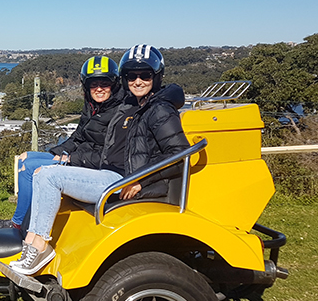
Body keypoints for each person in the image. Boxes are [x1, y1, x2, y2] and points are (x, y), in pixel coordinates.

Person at [10, 44, 190, 275]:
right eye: (131, 76)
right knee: (39, 173)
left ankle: (39, 247)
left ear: (156, 77)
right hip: (108, 173)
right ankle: (30, 245)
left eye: (144, 75)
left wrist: (141, 181)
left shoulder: (159, 110)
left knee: (48, 175)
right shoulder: (131, 105)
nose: (137, 81)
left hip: (120, 179)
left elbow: (180, 153)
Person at [0, 56, 124, 230]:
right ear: (86, 85)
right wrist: (55, 153)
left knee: (30, 168)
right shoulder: (92, 106)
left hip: (93, 166)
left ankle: (17, 224)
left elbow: (107, 154)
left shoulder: (119, 112)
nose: (98, 89)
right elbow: (78, 136)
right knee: (25, 158)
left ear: (114, 84)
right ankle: (22, 220)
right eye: (93, 84)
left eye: (104, 84)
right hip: (81, 158)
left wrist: (68, 159)